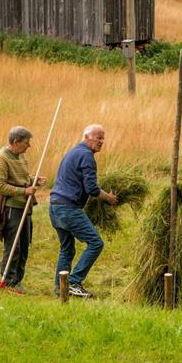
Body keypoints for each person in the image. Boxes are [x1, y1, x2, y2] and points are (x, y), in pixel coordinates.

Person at [50, 124, 119, 299]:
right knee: (96, 243)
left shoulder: (72, 152)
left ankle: (61, 287)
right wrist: (109, 198)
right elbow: (92, 188)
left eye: (103, 138)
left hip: (55, 206)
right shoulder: (86, 156)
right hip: (69, 209)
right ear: (87, 137)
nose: (101, 141)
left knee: (67, 249)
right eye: (98, 138)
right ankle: (74, 282)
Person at [0, 126, 45, 291]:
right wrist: (24, 190)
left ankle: (18, 280)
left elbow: (22, 178)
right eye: (26, 143)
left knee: (23, 245)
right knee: (13, 246)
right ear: (15, 142)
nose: (28, 146)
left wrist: (33, 180)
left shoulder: (21, 156)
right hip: (11, 208)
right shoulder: (1, 159)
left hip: (25, 207)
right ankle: (8, 280)